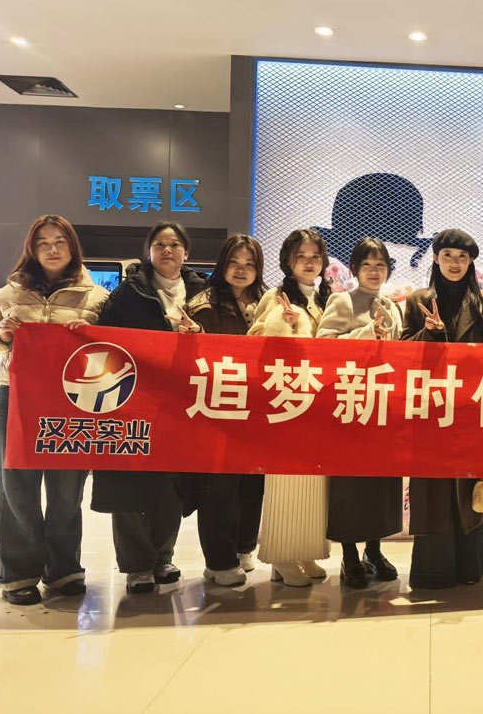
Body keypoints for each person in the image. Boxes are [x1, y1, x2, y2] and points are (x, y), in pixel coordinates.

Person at [0, 215, 108, 605]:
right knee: (16, 489)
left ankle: (64, 570)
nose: (52, 249)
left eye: (60, 242)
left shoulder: (97, 297)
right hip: (16, 398)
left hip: (73, 401)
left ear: (72, 247)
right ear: (32, 249)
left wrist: (92, 332)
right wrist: (1, 334)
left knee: (67, 490)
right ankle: (18, 575)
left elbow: (112, 347)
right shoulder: (9, 294)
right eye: (43, 243)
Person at [91, 221, 206, 593]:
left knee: (171, 484)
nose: (167, 250)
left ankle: (162, 557)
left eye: (175, 244)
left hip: (184, 403)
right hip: (133, 400)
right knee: (129, 483)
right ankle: (136, 565)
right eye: (160, 244)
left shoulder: (202, 293)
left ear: (186, 252)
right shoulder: (129, 292)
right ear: (149, 251)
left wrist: (199, 335)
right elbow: (104, 336)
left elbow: (222, 341)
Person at [402, 229, 483, 589]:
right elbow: (403, 350)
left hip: (470, 409)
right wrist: (429, 333)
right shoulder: (418, 300)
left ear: (471, 262)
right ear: (435, 258)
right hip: (430, 410)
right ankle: (433, 571)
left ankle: (469, 566)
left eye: (462, 257)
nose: (455, 263)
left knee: (466, 487)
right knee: (433, 489)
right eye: (448, 256)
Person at [316, 237, 404, 589]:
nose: (374, 271)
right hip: (349, 408)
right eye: (367, 264)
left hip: (384, 408)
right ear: (354, 269)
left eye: (380, 265)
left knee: (381, 485)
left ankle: (375, 551)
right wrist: (367, 332)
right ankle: (350, 556)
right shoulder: (342, 300)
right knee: (349, 487)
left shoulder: (393, 306)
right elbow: (322, 346)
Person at [248, 229, 332, 587]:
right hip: (286, 403)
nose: (309, 263)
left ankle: (305, 549)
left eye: (315, 256)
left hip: (319, 403)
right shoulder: (276, 296)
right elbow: (256, 341)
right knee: (285, 482)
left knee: (314, 483)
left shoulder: (328, 297)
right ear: (288, 261)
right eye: (301, 256)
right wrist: (285, 325)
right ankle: (280, 555)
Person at [185, 234, 267, 586]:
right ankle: (218, 561)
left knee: (253, 481)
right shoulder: (203, 304)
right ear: (222, 264)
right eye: (234, 262)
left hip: (257, 409)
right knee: (219, 486)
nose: (241, 270)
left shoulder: (267, 301)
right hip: (217, 408)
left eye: (249, 264)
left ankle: (244, 547)